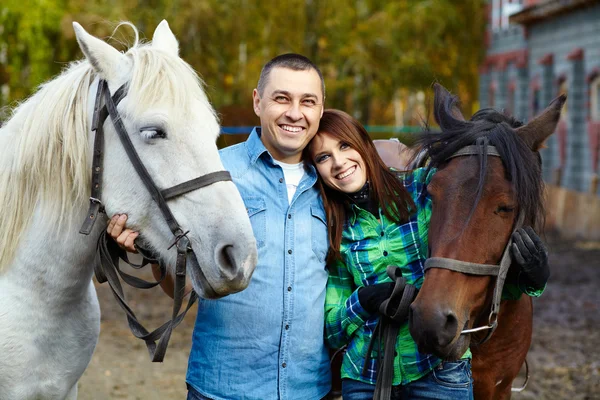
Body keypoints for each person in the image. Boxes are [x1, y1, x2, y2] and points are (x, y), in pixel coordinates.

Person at [108, 54, 331, 400]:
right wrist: (154, 253)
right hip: (223, 390)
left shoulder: (332, 186)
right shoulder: (214, 176)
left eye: (308, 102)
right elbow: (182, 291)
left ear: (320, 110)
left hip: (310, 389)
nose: (294, 113)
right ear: (257, 101)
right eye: (281, 98)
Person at [305, 109, 550, 400]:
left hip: (432, 372)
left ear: (364, 145)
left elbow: (472, 257)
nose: (338, 162)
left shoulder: (426, 189)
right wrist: (365, 300)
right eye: (323, 157)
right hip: (365, 377)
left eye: (345, 146)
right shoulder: (334, 227)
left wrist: (533, 277)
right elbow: (332, 328)